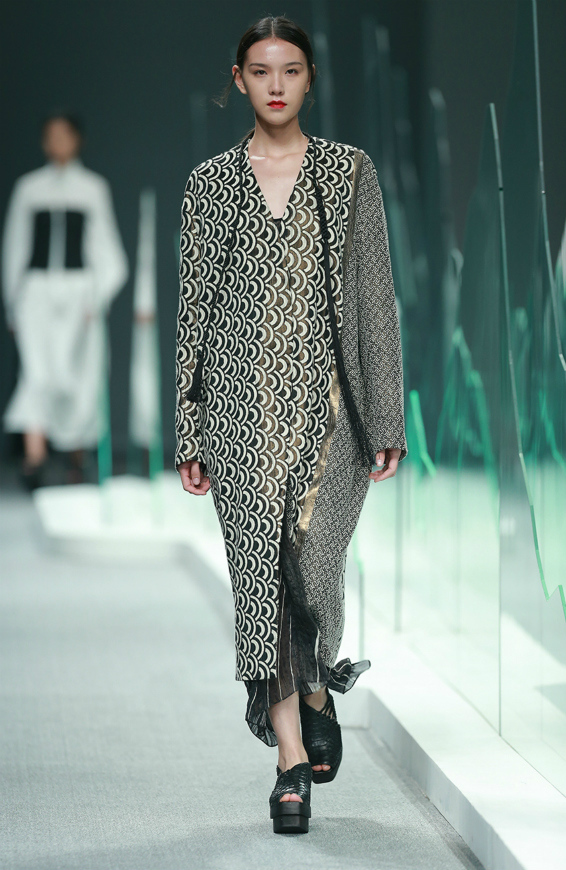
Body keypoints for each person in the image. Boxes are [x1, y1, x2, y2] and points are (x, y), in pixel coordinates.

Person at [175, 16, 407, 834]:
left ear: (310, 79)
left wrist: (386, 413)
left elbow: (375, 299)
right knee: (259, 583)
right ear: (238, 79)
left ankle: (315, 690)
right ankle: (287, 764)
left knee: (313, 569)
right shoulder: (210, 184)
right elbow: (194, 313)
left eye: (292, 70)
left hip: (329, 412)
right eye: (261, 70)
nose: (277, 85)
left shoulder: (349, 173)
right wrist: (189, 427)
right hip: (239, 413)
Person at [2, 111, 128, 488]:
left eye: (63, 135)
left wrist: (97, 296)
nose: (56, 143)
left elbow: (107, 251)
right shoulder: (29, 188)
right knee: (36, 373)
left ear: (77, 140)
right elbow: (15, 246)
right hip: (37, 292)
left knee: (79, 373)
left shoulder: (92, 188)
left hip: (79, 293)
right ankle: (35, 458)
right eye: (50, 136)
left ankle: (77, 456)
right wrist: (13, 302)